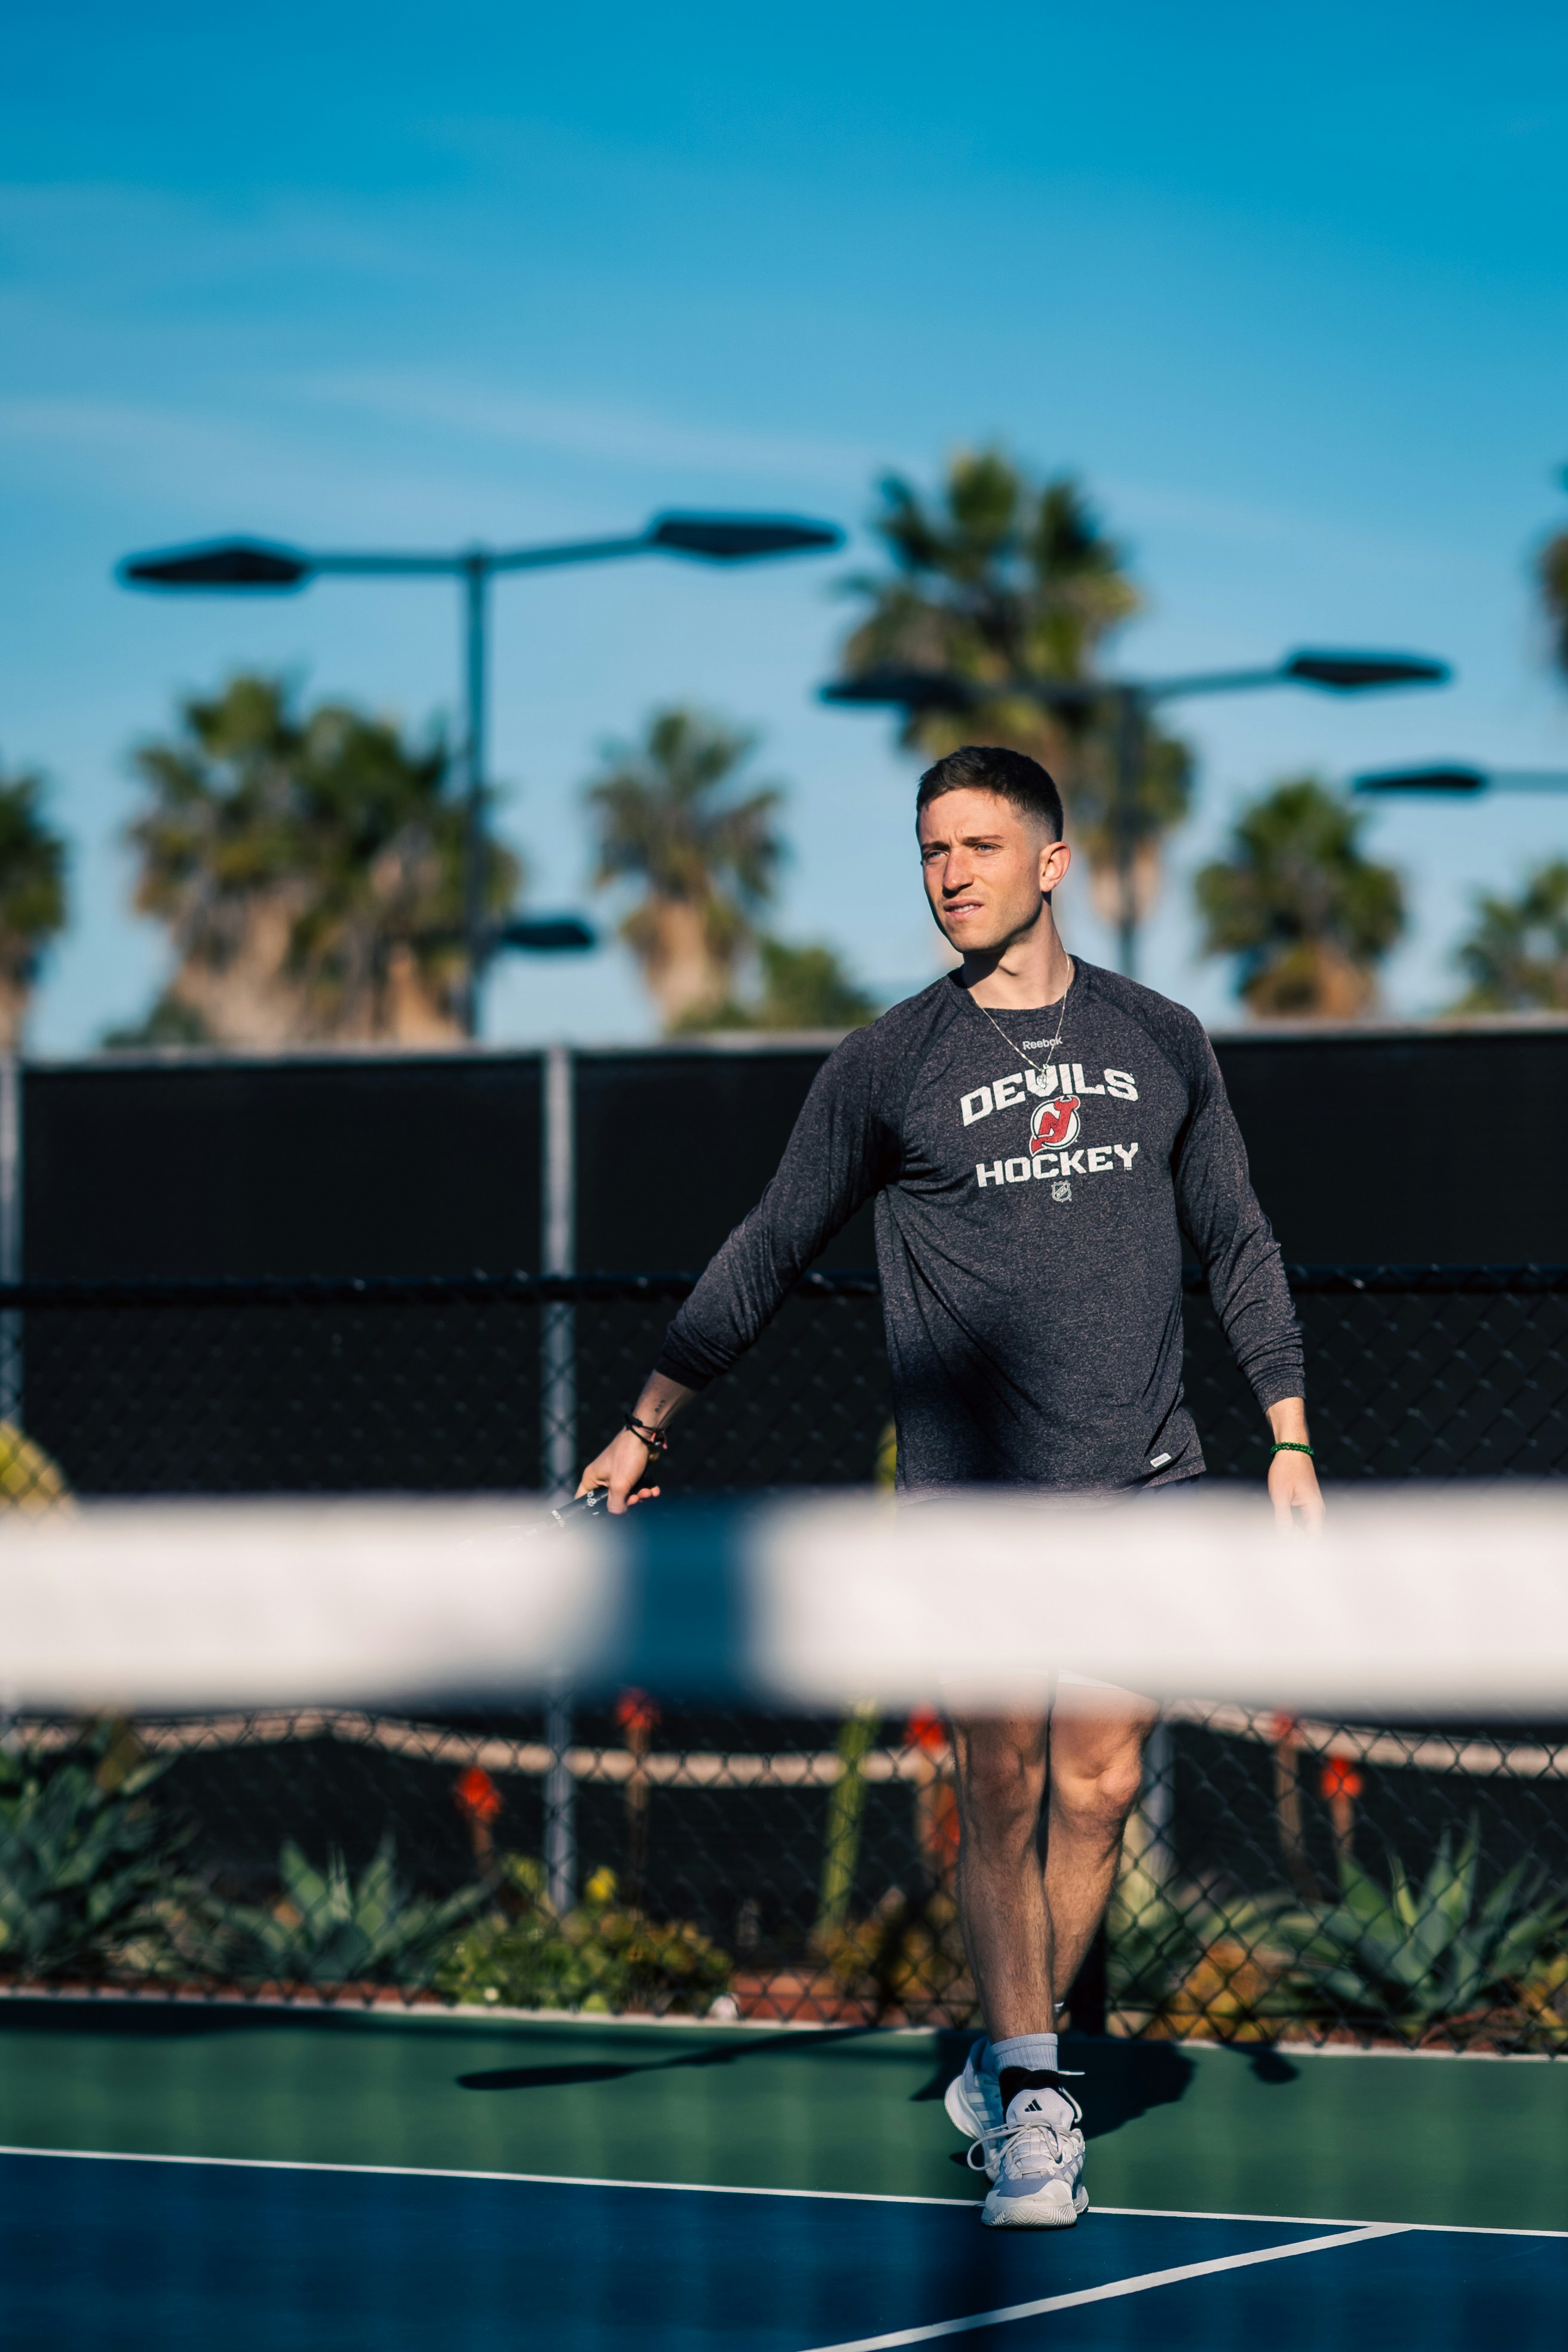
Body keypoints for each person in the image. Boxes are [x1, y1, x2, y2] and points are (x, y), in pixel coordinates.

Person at [577, 742, 1322, 2228]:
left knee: (1101, 1785)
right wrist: (649, 1421)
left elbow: (1235, 1238)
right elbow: (768, 1244)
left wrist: (1290, 1432)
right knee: (999, 1783)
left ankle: (1011, 2052)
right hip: (975, 1495)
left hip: (1152, 1475)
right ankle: (1034, 2095)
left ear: (1053, 861)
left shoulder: (1164, 1035)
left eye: (980, 846)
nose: (950, 874)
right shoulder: (884, 1064)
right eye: (931, 851)